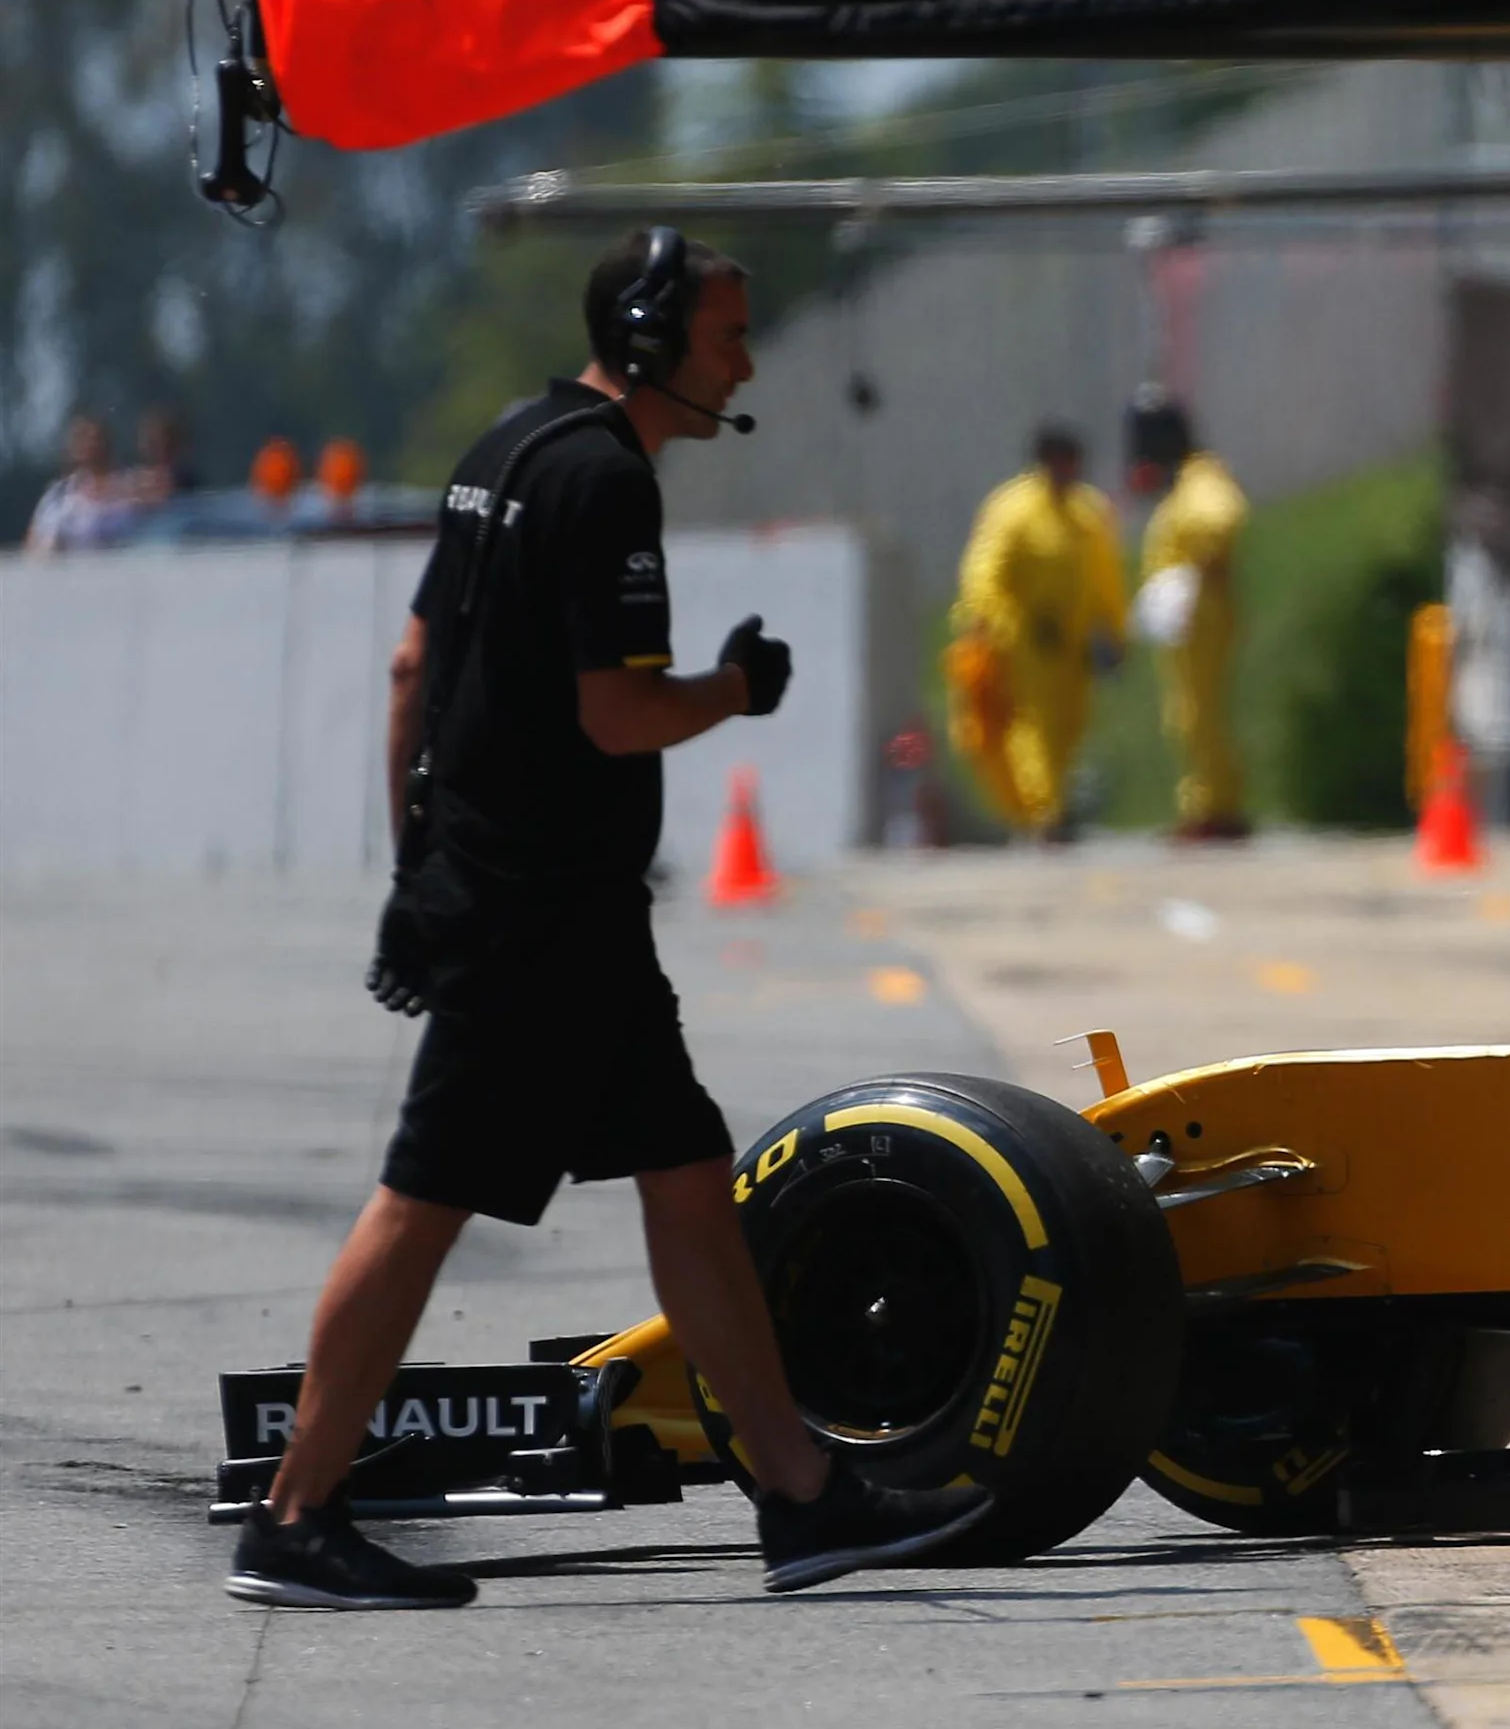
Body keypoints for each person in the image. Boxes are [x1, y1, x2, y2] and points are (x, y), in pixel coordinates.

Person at [229, 227, 985, 1611]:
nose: (745, 358)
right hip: (541, 920)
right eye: (726, 335)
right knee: (421, 1202)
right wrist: (737, 690)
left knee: (690, 1176)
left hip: (533, 905)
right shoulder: (601, 484)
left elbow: (413, 667)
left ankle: (804, 1498)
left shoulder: (501, 450)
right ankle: (295, 1514)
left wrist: (420, 873)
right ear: (652, 342)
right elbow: (617, 710)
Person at [948, 422, 1130, 841]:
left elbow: (1106, 576)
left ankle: (1049, 807)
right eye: (1059, 461)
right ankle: (1045, 814)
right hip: (1023, 642)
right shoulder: (1013, 509)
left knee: (1069, 726)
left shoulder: (1088, 511)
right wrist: (993, 623)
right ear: (1044, 462)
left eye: (1073, 462)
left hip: (1073, 643)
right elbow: (983, 573)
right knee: (1033, 729)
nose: (1067, 470)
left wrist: (1115, 631)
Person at [1126, 387, 1250, 841]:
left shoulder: (1201, 480)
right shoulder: (1185, 483)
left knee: (1200, 716)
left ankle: (1214, 809)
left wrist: (1198, 565)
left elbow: (1220, 520)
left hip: (1202, 620)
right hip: (1190, 623)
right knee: (1190, 715)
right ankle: (1210, 804)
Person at [23, 415, 130, 553]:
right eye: (82, 439)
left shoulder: (129, 489)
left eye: (96, 439)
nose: (91, 445)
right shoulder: (58, 496)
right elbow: (34, 544)